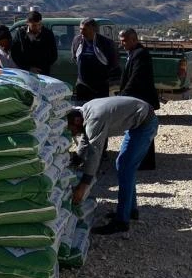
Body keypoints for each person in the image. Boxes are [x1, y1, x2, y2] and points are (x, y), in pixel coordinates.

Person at [67, 96, 158, 234]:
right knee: (123, 166)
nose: (73, 134)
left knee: (126, 168)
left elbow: (94, 153)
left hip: (145, 124)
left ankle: (122, 222)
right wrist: (77, 159)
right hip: (137, 122)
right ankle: (130, 210)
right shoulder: (85, 111)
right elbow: (86, 138)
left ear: (77, 121)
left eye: (72, 130)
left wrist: (83, 185)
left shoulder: (94, 118)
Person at [118, 27, 159, 170]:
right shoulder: (133, 53)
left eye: (124, 41)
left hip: (141, 99)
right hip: (137, 98)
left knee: (143, 130)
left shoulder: (140, 54)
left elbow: (136, 78)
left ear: (133, 40)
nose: (122, 44)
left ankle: (145, 162)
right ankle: (141, 160)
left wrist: (124, 95)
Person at [71, 18, 118, 103]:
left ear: (93, 29)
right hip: (82, 85)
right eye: (80, 29)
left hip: (100, 86)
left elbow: (113, 64)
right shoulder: (77, 40)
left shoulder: (106, 43)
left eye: (84, 29)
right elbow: (74, 57)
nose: (81, 32)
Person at [10, 11, 58, 75]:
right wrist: (28, 68)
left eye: (39, 24)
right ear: (27, 23)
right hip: (25, 73)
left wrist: (42, 67)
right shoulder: (20, 34)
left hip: (43, 73)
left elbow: (54, 55)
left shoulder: (48, 34)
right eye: (34, 25)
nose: (37, 28)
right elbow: (15, 54)